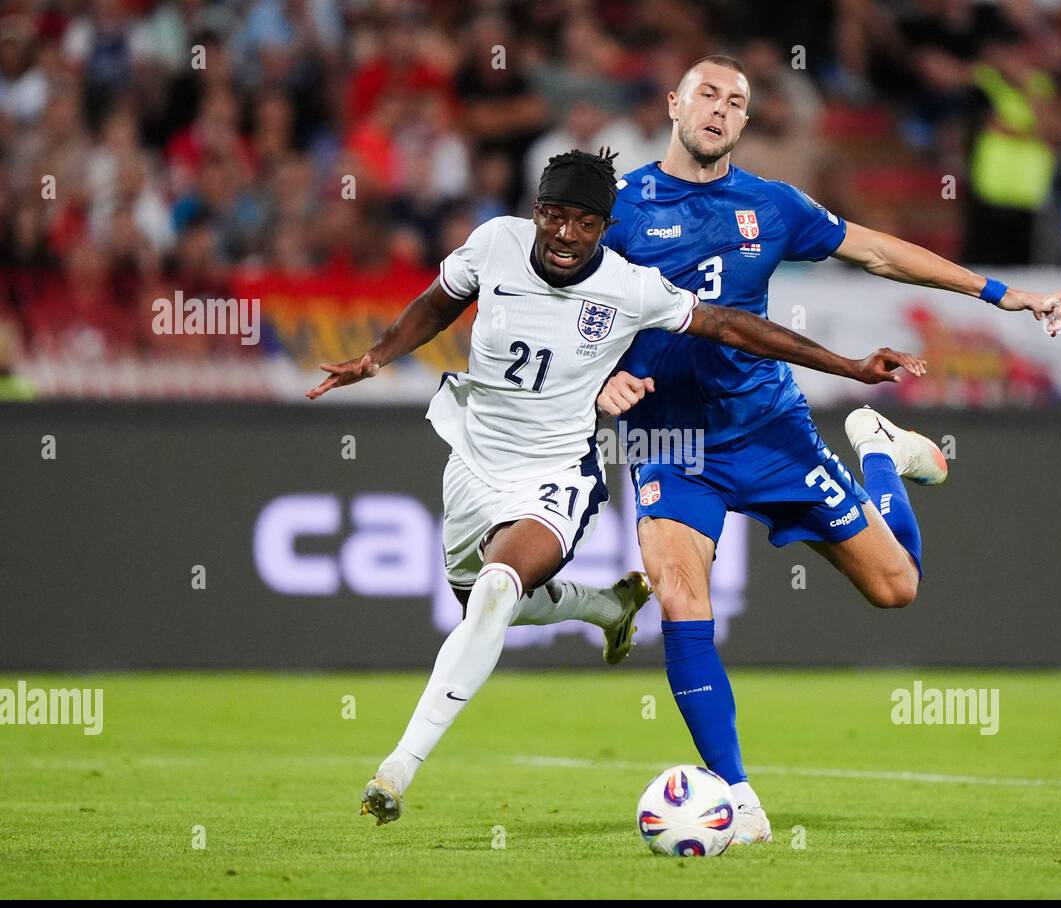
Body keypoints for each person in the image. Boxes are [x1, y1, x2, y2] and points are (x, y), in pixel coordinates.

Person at [306, 148, 927, 825]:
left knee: (495, 590)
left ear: (606, 226)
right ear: (536, 211)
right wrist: (375, 357)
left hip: (557, 473)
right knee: (484, 602)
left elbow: (731, 324)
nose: (566, 234)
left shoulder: (631, 286)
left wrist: (847, 366)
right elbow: (437, 304)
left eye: (584, 221)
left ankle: (398, 768)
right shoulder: (494, 245)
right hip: (474, 464)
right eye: (554, 215)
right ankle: (601, 605)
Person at [596, 56, 1061, 844]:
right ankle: (740, 797)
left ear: (746, 124)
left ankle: (877, 453)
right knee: (680, 595)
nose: (719, 108)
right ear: (674, 103)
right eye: (706, 93)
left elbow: (880, 251)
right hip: (670, 441)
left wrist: (999, 292)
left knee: (897, 588)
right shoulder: (618, 209)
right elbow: (562, 303)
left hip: (770, 431)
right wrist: (600, 379)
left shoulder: (772, 207)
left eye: (736, 101)